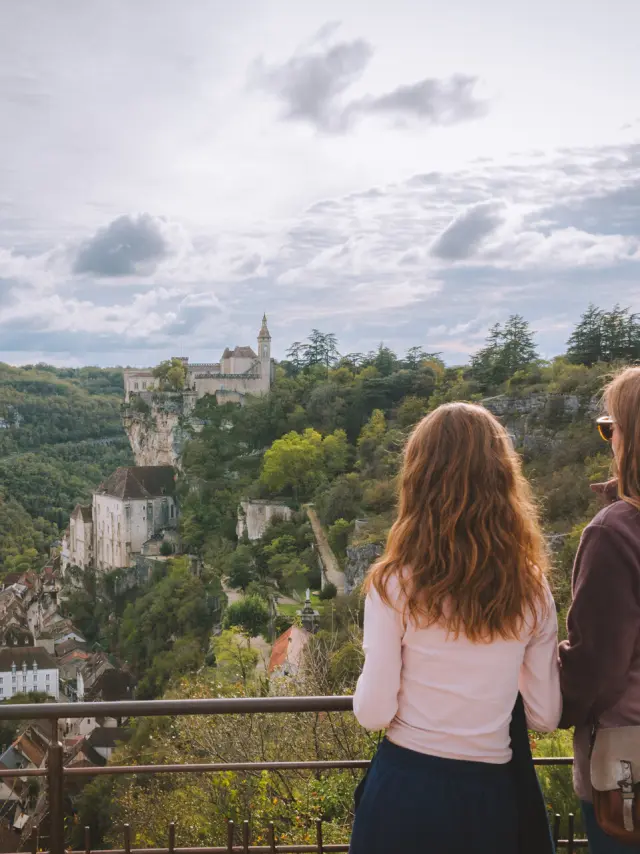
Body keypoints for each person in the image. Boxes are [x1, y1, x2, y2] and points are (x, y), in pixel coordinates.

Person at [350, 402, 562, 854]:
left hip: (405, 791)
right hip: (489, 795)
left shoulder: (394, 583)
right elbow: (545, 716)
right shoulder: (532, 587)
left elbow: (373, 712)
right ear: (503, 479)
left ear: (418, 479)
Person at [559, 367, 640, 854]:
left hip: (628, 768)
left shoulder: (616, 533)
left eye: (611, 427)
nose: (607, 438)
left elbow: (598, 667)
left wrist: (555, 709)